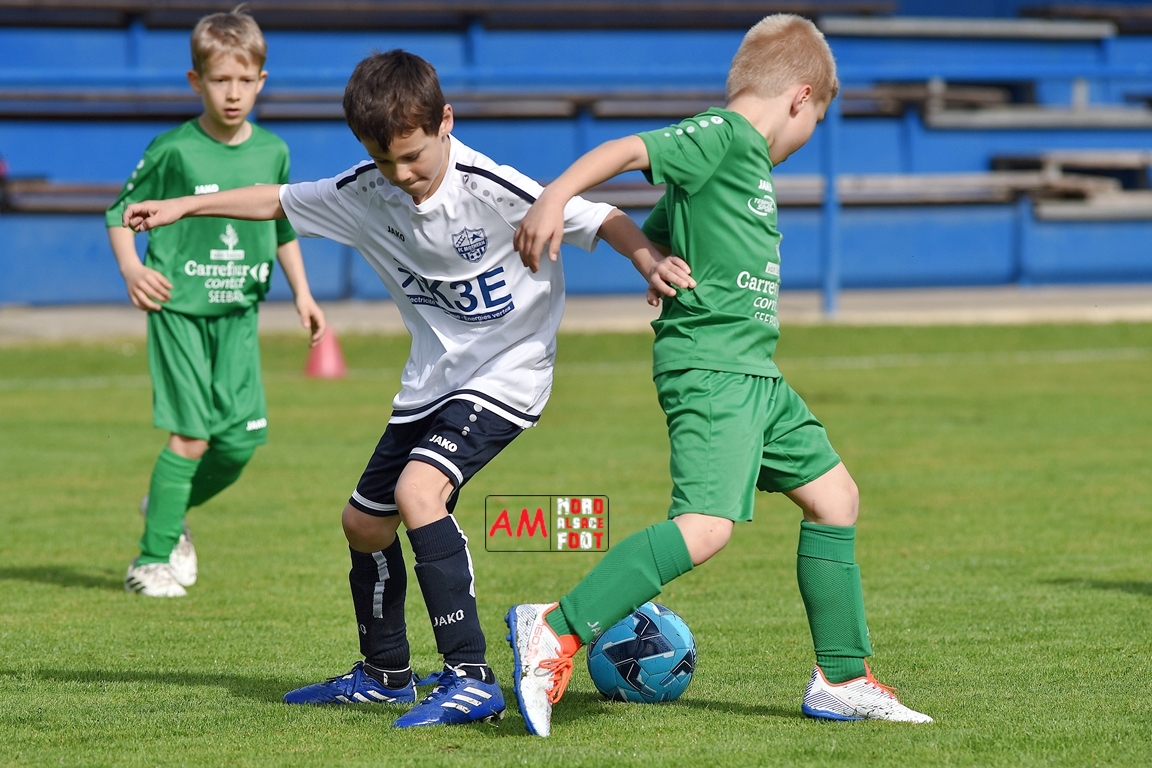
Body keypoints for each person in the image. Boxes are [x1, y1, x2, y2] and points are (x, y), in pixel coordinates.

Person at [122, 50, 690, 728]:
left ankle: (470, 677)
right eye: (384, 160)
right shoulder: (368, 190)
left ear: (446, 121)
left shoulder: (490, 187)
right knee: (364, 523)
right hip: (432, 380)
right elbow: (277, 199)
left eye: (414, 156)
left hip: (509, 373)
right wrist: (185, 206)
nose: (402, 174)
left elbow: (601, 218)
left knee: (419, 493)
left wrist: (648, 260)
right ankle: (385, 674)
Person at [506, 14, 932, 736]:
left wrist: (651, 258)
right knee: (704, 528)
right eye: (816, 122)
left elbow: (661, 229)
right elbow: (628, 150)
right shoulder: (726, 136)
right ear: (800, 97)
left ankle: (842, 680)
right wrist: (554, 196)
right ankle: (556, 628)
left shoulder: (742, 165)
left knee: (836, 497)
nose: (809, 137)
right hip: (712, 369)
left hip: (756, 374)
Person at [106, 8, 325, 599]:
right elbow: (119, 213)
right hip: (179, 311)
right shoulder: (174, 150)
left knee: (240, 444)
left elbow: (282, 225)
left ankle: (167, 504)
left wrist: (303, 292)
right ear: (195, 81)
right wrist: (132, 268)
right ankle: (151, 561)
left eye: (244, 80)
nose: (233, 93)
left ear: (261, 80)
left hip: (239, 316)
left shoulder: (273, 151)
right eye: (220, 80)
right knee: (191, 437)